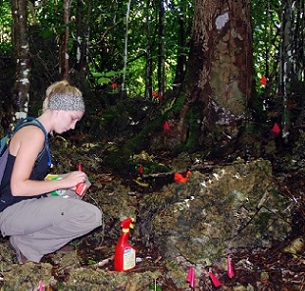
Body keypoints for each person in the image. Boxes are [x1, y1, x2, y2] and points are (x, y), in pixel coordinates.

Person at [0, 80, 102, 264]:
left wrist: (67, 180)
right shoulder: (34, 135)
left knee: (76, 186)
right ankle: (28, 245)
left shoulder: (33, 126)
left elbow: (30, 175)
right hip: (8, 213)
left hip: (21, 204)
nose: (73, 127)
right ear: (58, 110)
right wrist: (63, 182)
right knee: (91, 216)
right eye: (73, 118)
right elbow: (17, 187)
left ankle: (45, 239)